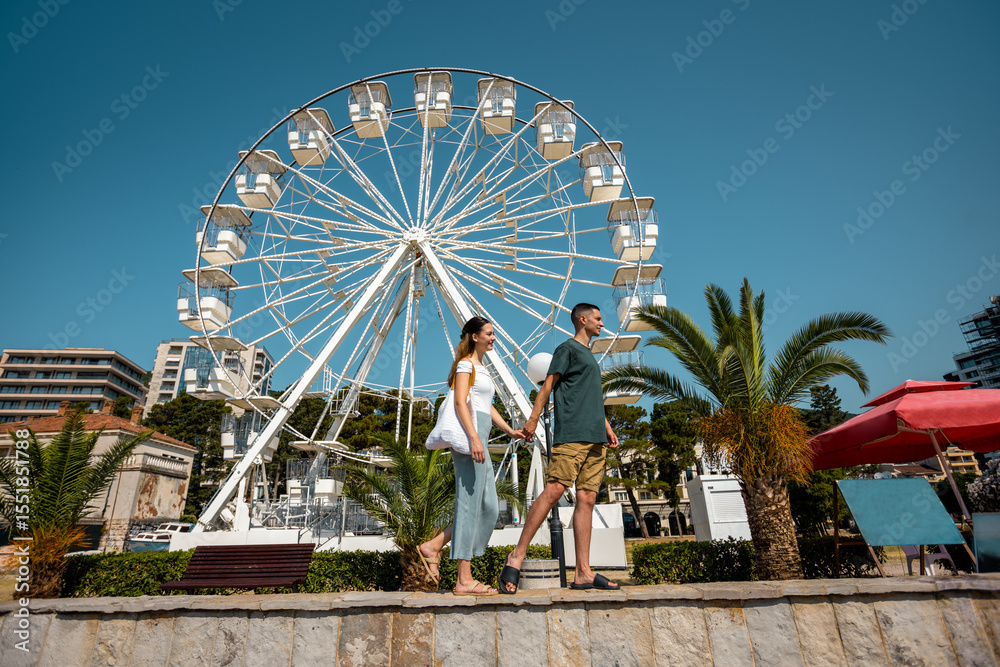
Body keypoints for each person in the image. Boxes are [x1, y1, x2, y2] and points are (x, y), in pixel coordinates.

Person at [499, 303, 620, 593]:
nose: (602, 323)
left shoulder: (589, 355)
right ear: (583, 319)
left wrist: (606, 427)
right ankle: (517, 556)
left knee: (587, 499)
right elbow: (547, 387)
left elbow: (591, 396)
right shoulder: (567, 349)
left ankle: (583, 572)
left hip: (595, 438)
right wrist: (532, 419)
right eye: (598, 318)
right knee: (554, 490)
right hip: (572, 434)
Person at [419, 316, 528, 595]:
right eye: (489, 334)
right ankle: (463, 580)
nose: (493, 338)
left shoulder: (482, 367)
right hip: (471, 435)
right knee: (468, 504)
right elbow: (459, 401)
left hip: (481, 432)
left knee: (489, 507)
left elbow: (485, 405)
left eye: (493, 334)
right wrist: (474, 437)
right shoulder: (465, 365)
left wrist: (508, 430)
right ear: (474, 337)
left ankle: (433, 546)